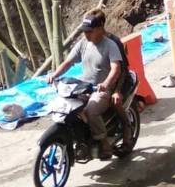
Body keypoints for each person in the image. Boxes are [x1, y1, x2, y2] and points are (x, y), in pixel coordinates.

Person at [47, 9, 123, 159]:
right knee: (67, 108)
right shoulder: (83, 44)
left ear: (100, 29)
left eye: (90, 31)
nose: (86, 34)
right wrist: (54, 74)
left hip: (102, 89)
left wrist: (106, 83)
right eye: (84, 31)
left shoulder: (110, 45)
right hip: (83, 87)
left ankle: (104, 142)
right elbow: (68, 62)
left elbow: (116, 68)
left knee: (90, 110)